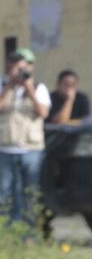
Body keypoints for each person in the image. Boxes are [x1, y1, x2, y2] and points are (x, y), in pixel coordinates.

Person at [0, 48, 51, 233]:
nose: (21, 70)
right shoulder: (2, 85)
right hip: (5, 148)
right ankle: (6, 234)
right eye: (16, 65)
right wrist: (9, 86)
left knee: (30, 193)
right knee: (4, 194)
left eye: (25, 66)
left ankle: (29, 233)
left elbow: (43, 113)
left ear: (31, 67)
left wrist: (28, 87)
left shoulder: (39, 88)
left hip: (31, 149)